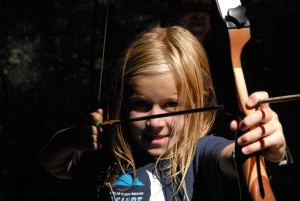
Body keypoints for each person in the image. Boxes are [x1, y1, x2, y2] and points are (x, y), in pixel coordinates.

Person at [39, 26, 287, 201]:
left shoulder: (201, 155)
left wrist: (263, 143)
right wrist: (73, 138)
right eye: (141, 104)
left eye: (171, 105)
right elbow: (53, 163)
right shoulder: (109, 155)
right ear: (121, 105)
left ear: (199, 102)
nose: (155, 122)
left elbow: (234, 158)